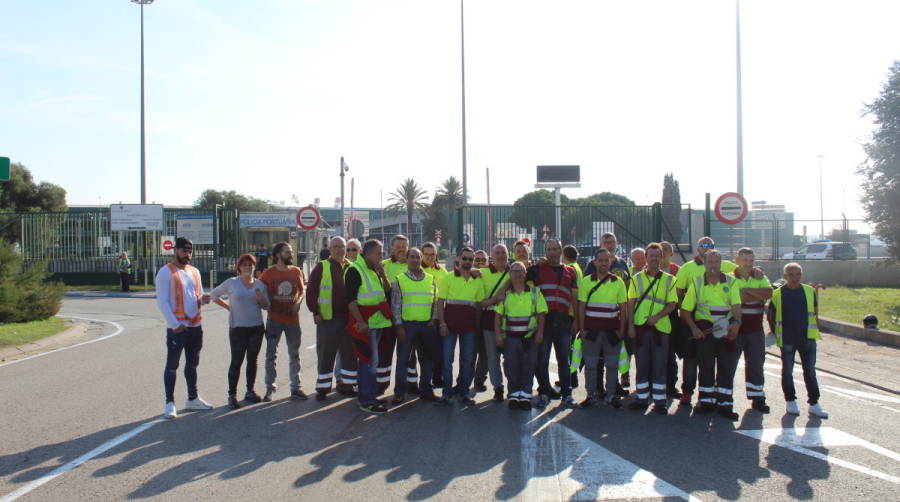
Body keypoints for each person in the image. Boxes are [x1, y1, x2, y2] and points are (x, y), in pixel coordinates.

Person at [155, 237, 212, 419]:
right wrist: (175, 324)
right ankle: (169, 403)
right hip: (178, 328)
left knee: (192, 364)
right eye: (184, 250)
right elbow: (162, 301)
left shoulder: (195, 272)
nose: (187, 254)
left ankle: (192, 398)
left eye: (190, 250)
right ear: (176, 251)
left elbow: (199, 293)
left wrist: (204, 298)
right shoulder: (165, 272)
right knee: (172, 365)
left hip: (195, 326)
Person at [674, 236, 735, 406]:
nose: (706, 247)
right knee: (691, 357)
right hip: (693, 319)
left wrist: (756, 270)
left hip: (719, 323)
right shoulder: (687, 268)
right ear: (697, 247)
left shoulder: (726, 266)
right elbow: (679, 292)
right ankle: (687, 391)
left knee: (716, 359)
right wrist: (684, 316)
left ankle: (715, 393)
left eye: (710, 245)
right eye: (703, 245)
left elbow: (743, 270)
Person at [210, 253, 269, 409]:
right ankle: (232, 395)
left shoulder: (260, 284)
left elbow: (266, 306)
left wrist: (260, 297)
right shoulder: (232, 283)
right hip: (238, 329)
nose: (248, 267)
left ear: (254, 267)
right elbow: (214, 295)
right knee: (236, 362)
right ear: (239, 268)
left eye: (251, 265)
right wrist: (228, 307)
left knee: (252, 361)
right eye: (245, 265)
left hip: (256, 328)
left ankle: (250, 391)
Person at [770, 263, 828, 418]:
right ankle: (790, 401)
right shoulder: (777, 294)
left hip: (807, 338)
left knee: (810, 371)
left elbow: (815, 312)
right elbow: (771, 315)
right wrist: (777, 333)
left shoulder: (809, 291)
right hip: (787, 339)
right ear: (785, 276)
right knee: (787, 371)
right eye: (791, 274)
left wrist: (816, 328)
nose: (794, 277)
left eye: (798, 274)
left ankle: (814, 403)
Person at [527, 238, 579, 408]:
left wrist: (576, 320)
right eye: (549, 249)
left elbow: (574, 298)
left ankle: (567, 394)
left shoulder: (571, 271)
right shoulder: (535, 270)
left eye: (555, 249)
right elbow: (533, 297)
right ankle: (544, 393)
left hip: (564, 323)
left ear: (561, 250)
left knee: (564, 361)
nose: (552, 252)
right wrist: (535, 321)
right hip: (544, 323)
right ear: (545, 251)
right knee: (542, 360)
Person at [627, 243, 678, 415]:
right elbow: (631, 303)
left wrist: (657, 317)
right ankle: (641, 398)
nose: (654, 259)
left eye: (657, 256)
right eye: (651, 256)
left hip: (661, 328)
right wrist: (631, 326)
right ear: (646, 258)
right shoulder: (636, 279)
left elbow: (672, 304)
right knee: (641, 364)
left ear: (662, 257)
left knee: (659, 366)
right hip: (640, 329)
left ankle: (660, 401)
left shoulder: (670, 280)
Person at [306, 236, 358, 400]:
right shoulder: (322, 266)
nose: (339, 250)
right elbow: (311, 291)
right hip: (328, 319)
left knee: (349, 354)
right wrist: (315, 312)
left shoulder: (351, 267)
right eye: (335, 247)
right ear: (330, 249)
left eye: (342, 246)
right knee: (326, 354)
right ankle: (323, 388)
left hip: (348, 319)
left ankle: (347, 385)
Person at [345, 239, 393, 414]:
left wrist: (383, 274)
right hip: (366, 324)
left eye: (382, 253)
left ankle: (368, 394)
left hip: (378, 321)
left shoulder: (374, 270)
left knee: (371, 361)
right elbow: (350, 300)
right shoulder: (354, 270)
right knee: (368, 362)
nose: (381, 256)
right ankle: (367, 400)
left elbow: (387, 291)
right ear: (366, 253)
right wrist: (361, 322)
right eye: (378, 254)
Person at [577, 248, 627, 409]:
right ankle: (591, 395)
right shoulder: (585, 281)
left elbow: (623, 308)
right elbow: (581, 307)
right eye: (601, 260)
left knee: (612, 365)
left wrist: (622, 329)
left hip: (612, 330)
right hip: (591, 330)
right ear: (595, 262)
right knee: (590, 364)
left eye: (607, 260)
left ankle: (611, 395)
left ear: (610, 262)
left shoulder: (618, 282)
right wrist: (582, 329)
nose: (604, 263)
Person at [436, 247, 485, 405]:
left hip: (469, 328)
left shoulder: (478, 280)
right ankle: (446, 393)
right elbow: (440, 301)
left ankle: (464, 393)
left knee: (467, 361)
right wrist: (442, 323)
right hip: (449, 327)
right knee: (447, 360)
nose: (468, 261)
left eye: (471, 259)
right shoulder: (449, 277)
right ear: (459, 259)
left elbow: (479, 304)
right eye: (465, 258)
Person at [495, 261, 547, 410]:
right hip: (510, 338)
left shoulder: (535, 292)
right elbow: (497, 317)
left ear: (525, 274)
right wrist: (498, 336)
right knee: (512, 367)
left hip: (529, 338)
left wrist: (540, 333)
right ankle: (513, 395)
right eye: (514, 271)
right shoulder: (505, 295)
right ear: (510, 275)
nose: (518, 274)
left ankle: (525, 396)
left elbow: (541, 314)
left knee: (529, 366)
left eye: (521, 271)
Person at [391, 247, 440, 403]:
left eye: (417, 257)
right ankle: (399, 392)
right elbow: (395, 306)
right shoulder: (400, 280)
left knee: (427, 360)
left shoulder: (431, 279)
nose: (415, 260)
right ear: (407, 259)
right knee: (403, 360)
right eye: (411, 257)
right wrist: (399, 327)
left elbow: (435, 301)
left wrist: (433, 319)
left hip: (427, 326)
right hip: (407, 326)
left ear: (421, 259)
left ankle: (426, 390)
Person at [583, 232, 631, 394]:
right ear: (601, 245)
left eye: (612, 242)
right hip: (593, 324)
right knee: (594, 361)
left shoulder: (622, 263)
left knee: (612, 361)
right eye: (607, 242)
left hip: (612, 323)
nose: (610, 245)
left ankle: (613, 388)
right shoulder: (591, 266)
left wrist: (624, 324)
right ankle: (596, 389)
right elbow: (584, 296)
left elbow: (627, 292)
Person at [259, 241, 307, 402]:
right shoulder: (268, 273)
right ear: (278, 254)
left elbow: (301, 291)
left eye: (291, 251)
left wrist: (298, 304)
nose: (291, 254)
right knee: (271, 355)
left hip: (292, 320)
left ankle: (296, 387)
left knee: (294, 354)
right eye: (287, 252)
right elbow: (258, 290)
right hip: (274, 320)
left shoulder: (296, 271)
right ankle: (270, 388)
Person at [731, 247, 773, 413]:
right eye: (744, 260)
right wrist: (756, 294)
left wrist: (746, 290)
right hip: (736, 329)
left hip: (756, 330)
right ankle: (725, 399)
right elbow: (736, 297)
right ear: (737, 260)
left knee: (756, 364)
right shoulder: (730, 278)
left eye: (750, 260)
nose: (748, 263)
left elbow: (768, 293)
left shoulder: (760, 276)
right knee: (729, 364)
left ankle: (757, 398)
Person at [478, 243, 512, 401]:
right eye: (497, 252)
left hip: (511, 322)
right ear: (492, 256)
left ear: (507, 254)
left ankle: (513, 386)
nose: (500, 255)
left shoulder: (514, 272)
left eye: (503, 252)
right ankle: (498, 388)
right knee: (492, 358)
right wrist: (494, 299)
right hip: (489, 320)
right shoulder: (482, 273)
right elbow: (479, 303)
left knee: (510, 358)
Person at [381, 235, 410, 394]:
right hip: (387, 318)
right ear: (392, 247)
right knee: (385, 352)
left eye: (404, 246)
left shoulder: (414, 264)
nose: (401, 249)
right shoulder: (383, 265)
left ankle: (409, 384)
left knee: (407, 355)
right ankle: (382, 384)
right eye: (398, 246)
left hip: (407, 317)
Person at [421, 241, 448, 388]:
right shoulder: (417, 269)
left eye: (432, 254)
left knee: (439, 348)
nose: (430, 257)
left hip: (438, 316)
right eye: (427, 254)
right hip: (421, 315)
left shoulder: (442, 272)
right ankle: (423, 380)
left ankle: (437, 378)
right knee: (423, 352)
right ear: (421, 254)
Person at [660, 240, 681, 395]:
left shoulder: (677, 270)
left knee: (670, 351)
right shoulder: (648, 269)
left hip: (672, 313)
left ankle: (671, 385)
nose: (664, 251)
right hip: (653, 312)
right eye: (661, 248)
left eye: (667, 249)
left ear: (671, 253)